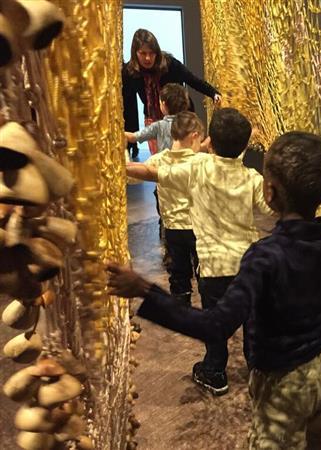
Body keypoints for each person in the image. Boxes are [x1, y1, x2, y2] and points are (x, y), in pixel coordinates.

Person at [107, 131, 321, 448]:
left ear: (270, 192)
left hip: (286, 382)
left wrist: (144, 290)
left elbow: (216, 325)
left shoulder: (265, 257)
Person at [124, 107, 275, 396]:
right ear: (244, 146)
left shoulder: (197, 167)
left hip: (214, 267)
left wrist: (112, 165)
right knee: (253, 322)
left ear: (211, 141)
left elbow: (151, 172)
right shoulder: (253, 178)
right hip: (249, 265)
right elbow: (271, 211)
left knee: (216, 323)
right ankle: (258, 371)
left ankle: (216, 371)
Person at [127, 112, 206, 306]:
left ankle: (181, 313)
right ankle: (209, 316)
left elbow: (134, 177)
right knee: (205, 274)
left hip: (172, 230)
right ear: (194, 136)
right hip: (199, 229)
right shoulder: (201, 161)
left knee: (178, 277)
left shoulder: (158, 160)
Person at [123, 28, 222, 158]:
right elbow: (128, 105)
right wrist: (129, 143)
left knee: (187, 156)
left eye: (152, 53)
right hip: (154, 117)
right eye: (143, 53)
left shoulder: (169, 64)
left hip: (181, 117)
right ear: (135, 53)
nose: (148, 58)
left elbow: (192, 79)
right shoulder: (130, 71)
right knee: (162, 158)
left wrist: (213, 93)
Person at [125, 83, 190, 154]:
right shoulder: (190, 123)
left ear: (163, 105)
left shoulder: (159, 126)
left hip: (165, 163)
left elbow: (134, 137)